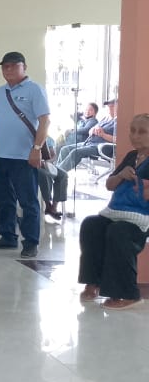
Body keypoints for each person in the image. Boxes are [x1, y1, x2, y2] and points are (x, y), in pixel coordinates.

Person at [0, 51, 50, 258]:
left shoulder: (34, 90)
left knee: (28, 201)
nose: (8, 69)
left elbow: (44, 121)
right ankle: (8, 236)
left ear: (24, 67)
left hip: (24, 157)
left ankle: (31, 242)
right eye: (5, 66)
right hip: (1, 156)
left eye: (13, 65)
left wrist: (36, 149)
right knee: (4, 199)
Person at [77, 114, 149, 310]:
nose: (135, 136)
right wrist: (121, 176)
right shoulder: (131, 156)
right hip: (119, 212)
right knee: (91, 225)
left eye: (142, 132)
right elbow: (109, 184)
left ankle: (128, 294)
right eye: (132, 131)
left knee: (119, 232)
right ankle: (93, 281)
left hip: (142, 218)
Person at [57, 99, 117, 172]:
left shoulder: (118, 122)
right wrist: (93, 130)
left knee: (75, 152)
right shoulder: (105, 119)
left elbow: (118, 140)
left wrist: (103, 135)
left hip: (101, 146)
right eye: (108, 106)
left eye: (112, 106)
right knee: (64, 149)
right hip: (89, 143)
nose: (109, 108)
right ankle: (58, 172)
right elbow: (90, 130)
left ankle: (58, 174)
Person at [38, 135, 69, 220]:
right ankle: (48, 204)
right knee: (45, 175)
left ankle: (54, 207)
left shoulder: (48, 139)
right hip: (33, 164)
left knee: (63, 175)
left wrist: (46, 162)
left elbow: (53, 156)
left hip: (46, 164)